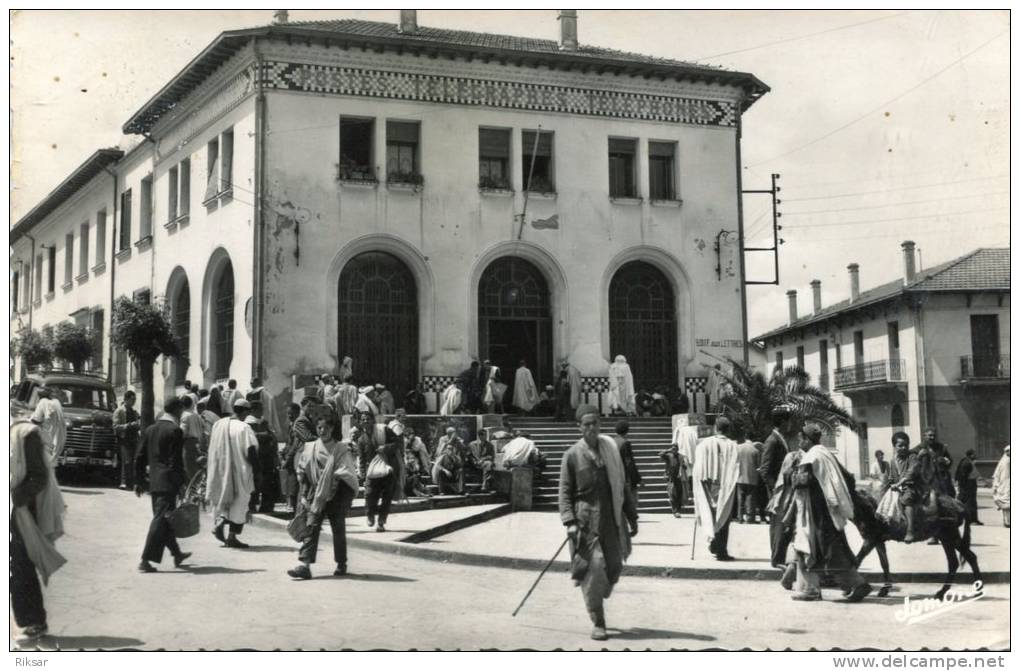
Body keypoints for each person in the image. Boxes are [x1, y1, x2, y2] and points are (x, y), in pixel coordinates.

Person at [559, 404, 638, 641]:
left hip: (611, 520)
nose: (591, 428)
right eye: (587, 424)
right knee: (593, 570)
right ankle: (598, 621)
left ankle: (603, 588)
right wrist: (570, 522)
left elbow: (621, 486)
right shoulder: (571, 456)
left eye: (595, 423)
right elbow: (564, 492)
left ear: (600, 425)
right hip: (585, 521)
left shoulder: (610, 451)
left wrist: (632, 517)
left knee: (614, 566)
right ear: (579, 427)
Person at [788, 423, 872, 602]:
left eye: (801, 438)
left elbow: (801, 482)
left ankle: (852, 585)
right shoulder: (825, 453)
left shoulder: (811, 457)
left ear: (807, 439)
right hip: (825, 511)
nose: (799, 442)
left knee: (823, 550)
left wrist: (792, 475)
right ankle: (816, 587)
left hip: (816, 514)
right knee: (824, 549)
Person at [10, 419, 66, 643]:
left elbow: (38, 477)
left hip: (20, 509)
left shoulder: (25, 433)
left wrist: (14, 499)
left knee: (20, 566)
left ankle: (33, 621)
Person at [288, 413, 358, 580]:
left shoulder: (340, 449)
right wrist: (304, 494)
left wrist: (339, 492)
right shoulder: (310, 447)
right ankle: (305, 565)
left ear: (332, 429)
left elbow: (347, 473)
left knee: (338, 529)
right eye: (319, 428)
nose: (322, 431)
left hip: (336, 494)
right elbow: (302, 472)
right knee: (311, 527)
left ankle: (341, 563)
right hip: (315, 494)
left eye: (325, 428)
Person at [135, 397, 192, 573]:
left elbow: (139, 457)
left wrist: (139, 481)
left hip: (154, 481)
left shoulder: (150, 429)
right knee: (161, 520)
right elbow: (176, 461)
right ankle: (145, 560)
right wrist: (182, 482)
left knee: (165, 519)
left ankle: (176, 553)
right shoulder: (175, 431)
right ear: (176, 409)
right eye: (181, 409)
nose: (182, 412)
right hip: (169, 482)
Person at [206, 398, 258, 549]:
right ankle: (232, 536)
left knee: (226, 499)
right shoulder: (244, 427)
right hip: (240, 471)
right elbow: (251, 451)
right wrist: (257, 470)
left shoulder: (218, 424)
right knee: (240, 503)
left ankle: (221, 522)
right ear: (246, 411)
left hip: (222, 470)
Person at [692, 416, 739, 560]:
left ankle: (714, 542)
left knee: (710, 513)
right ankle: (720, 549)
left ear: (715, 428)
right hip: (725, 484)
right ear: (728, 429)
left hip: (708, 484)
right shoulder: (732, 445)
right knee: (724, 515)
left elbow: (697, 468)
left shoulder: (703, 444)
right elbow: (735, 468)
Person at [364, 420, 406, 532]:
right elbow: (362, 458)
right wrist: (363, 473)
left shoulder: (383, 431)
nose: (365, 421)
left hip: (389, 468)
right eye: (362, 419)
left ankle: (381, 521)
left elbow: (397, 444)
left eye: (367, 419)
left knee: (387, 498)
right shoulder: (361, 439)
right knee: (370, 495)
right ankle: (370, 515)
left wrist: (385, 448)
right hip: (372, 471)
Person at [248, 403, 281, 514]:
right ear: (253, 410)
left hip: (267, 457)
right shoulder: (248, 423)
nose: (262, 411)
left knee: (267, 482)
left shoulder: (264, 422)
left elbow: (272, 436)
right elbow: (253, 437)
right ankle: (251, 505)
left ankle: (266, 506)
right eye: (260, 409)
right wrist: (265, 436)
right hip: (256, 457)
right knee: (254, 482)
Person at [758, 406, 794, 506]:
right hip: (778, 489)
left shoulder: (782, 439)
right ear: (783, 422)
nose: (790, 424)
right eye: (789, 421)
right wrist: (775, 489)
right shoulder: (772, 441)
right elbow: (765, 470)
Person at [113, 390, 141, 490]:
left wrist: (138, 425)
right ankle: (124, 482)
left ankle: (131, 482)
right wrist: (128, 425)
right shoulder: (119, 411)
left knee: (133, 460)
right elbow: (115, 427)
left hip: (133, 438)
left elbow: (138, 423)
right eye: (132, 400)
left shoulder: (134, 412)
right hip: (123, 439)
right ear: (126, 399)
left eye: (135, 400)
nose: (134, 402)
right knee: (127, 460)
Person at [31, 386, 66, 459]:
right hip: (58, 442)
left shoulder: (43, 402)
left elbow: (36, 420)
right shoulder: (57, 403)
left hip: (47, 441)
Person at [612, 420, 642, 506]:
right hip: (625, 476)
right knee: (631, 500)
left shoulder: (612, 441)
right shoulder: (625, 443)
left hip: (615, 475)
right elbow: (629, 462)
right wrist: (637, 479)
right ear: (627, 431)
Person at [920, 428, 955, 498]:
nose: (932, 437)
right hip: (927, 480)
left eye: (934, 436)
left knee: (947, 499)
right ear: (924, 436)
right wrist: (919, 456)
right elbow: (912, 462)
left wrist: (945, 461)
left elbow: (949, 461)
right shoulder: (919, 448)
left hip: (941, 479)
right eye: (930, 435)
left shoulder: (941, 447)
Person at [248, 377, 284, 443]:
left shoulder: (262, 390)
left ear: (257, 383)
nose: (251, 384)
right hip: (251, 414)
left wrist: (264, 407)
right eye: (250, 383)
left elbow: (270, 398)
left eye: (252, 383)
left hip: (258, 413)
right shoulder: (249, 393)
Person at [735, 431, 761, 524]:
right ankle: (750, 518)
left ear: (745, 437)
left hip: (740, 476)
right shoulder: (755, 450)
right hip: (752, 478)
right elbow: (758, 465)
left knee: (740, 498)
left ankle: (740, 517)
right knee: (750, 498)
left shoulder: (738, 448)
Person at [179, 395, 205, 481]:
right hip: (198, 442)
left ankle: (191, 491)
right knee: (196, 469)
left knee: (189, 469)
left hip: (188, 443)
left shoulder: (185, 416)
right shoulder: (196, 415)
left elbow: (182, 432)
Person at [954, 448, 981, 525]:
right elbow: (962, 475)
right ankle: (971, 520)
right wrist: (963, 486)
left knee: (969, 502)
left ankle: (974, 519)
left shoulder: (968, 461)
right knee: (968, 503)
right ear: (971, 455)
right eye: (974, 454)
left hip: (970, 484)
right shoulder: (966, 463)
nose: (975, 455)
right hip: (967, 485)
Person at [992, 445, 1010, 528]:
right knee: (1006, 505)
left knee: (1006, 505)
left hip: (1005, 486)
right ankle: (1007, 522)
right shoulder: (1005, 461)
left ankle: (1007, 521)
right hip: (1005, 486)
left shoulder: (1003, 461)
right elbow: (997, 474)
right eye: (1007, 451)